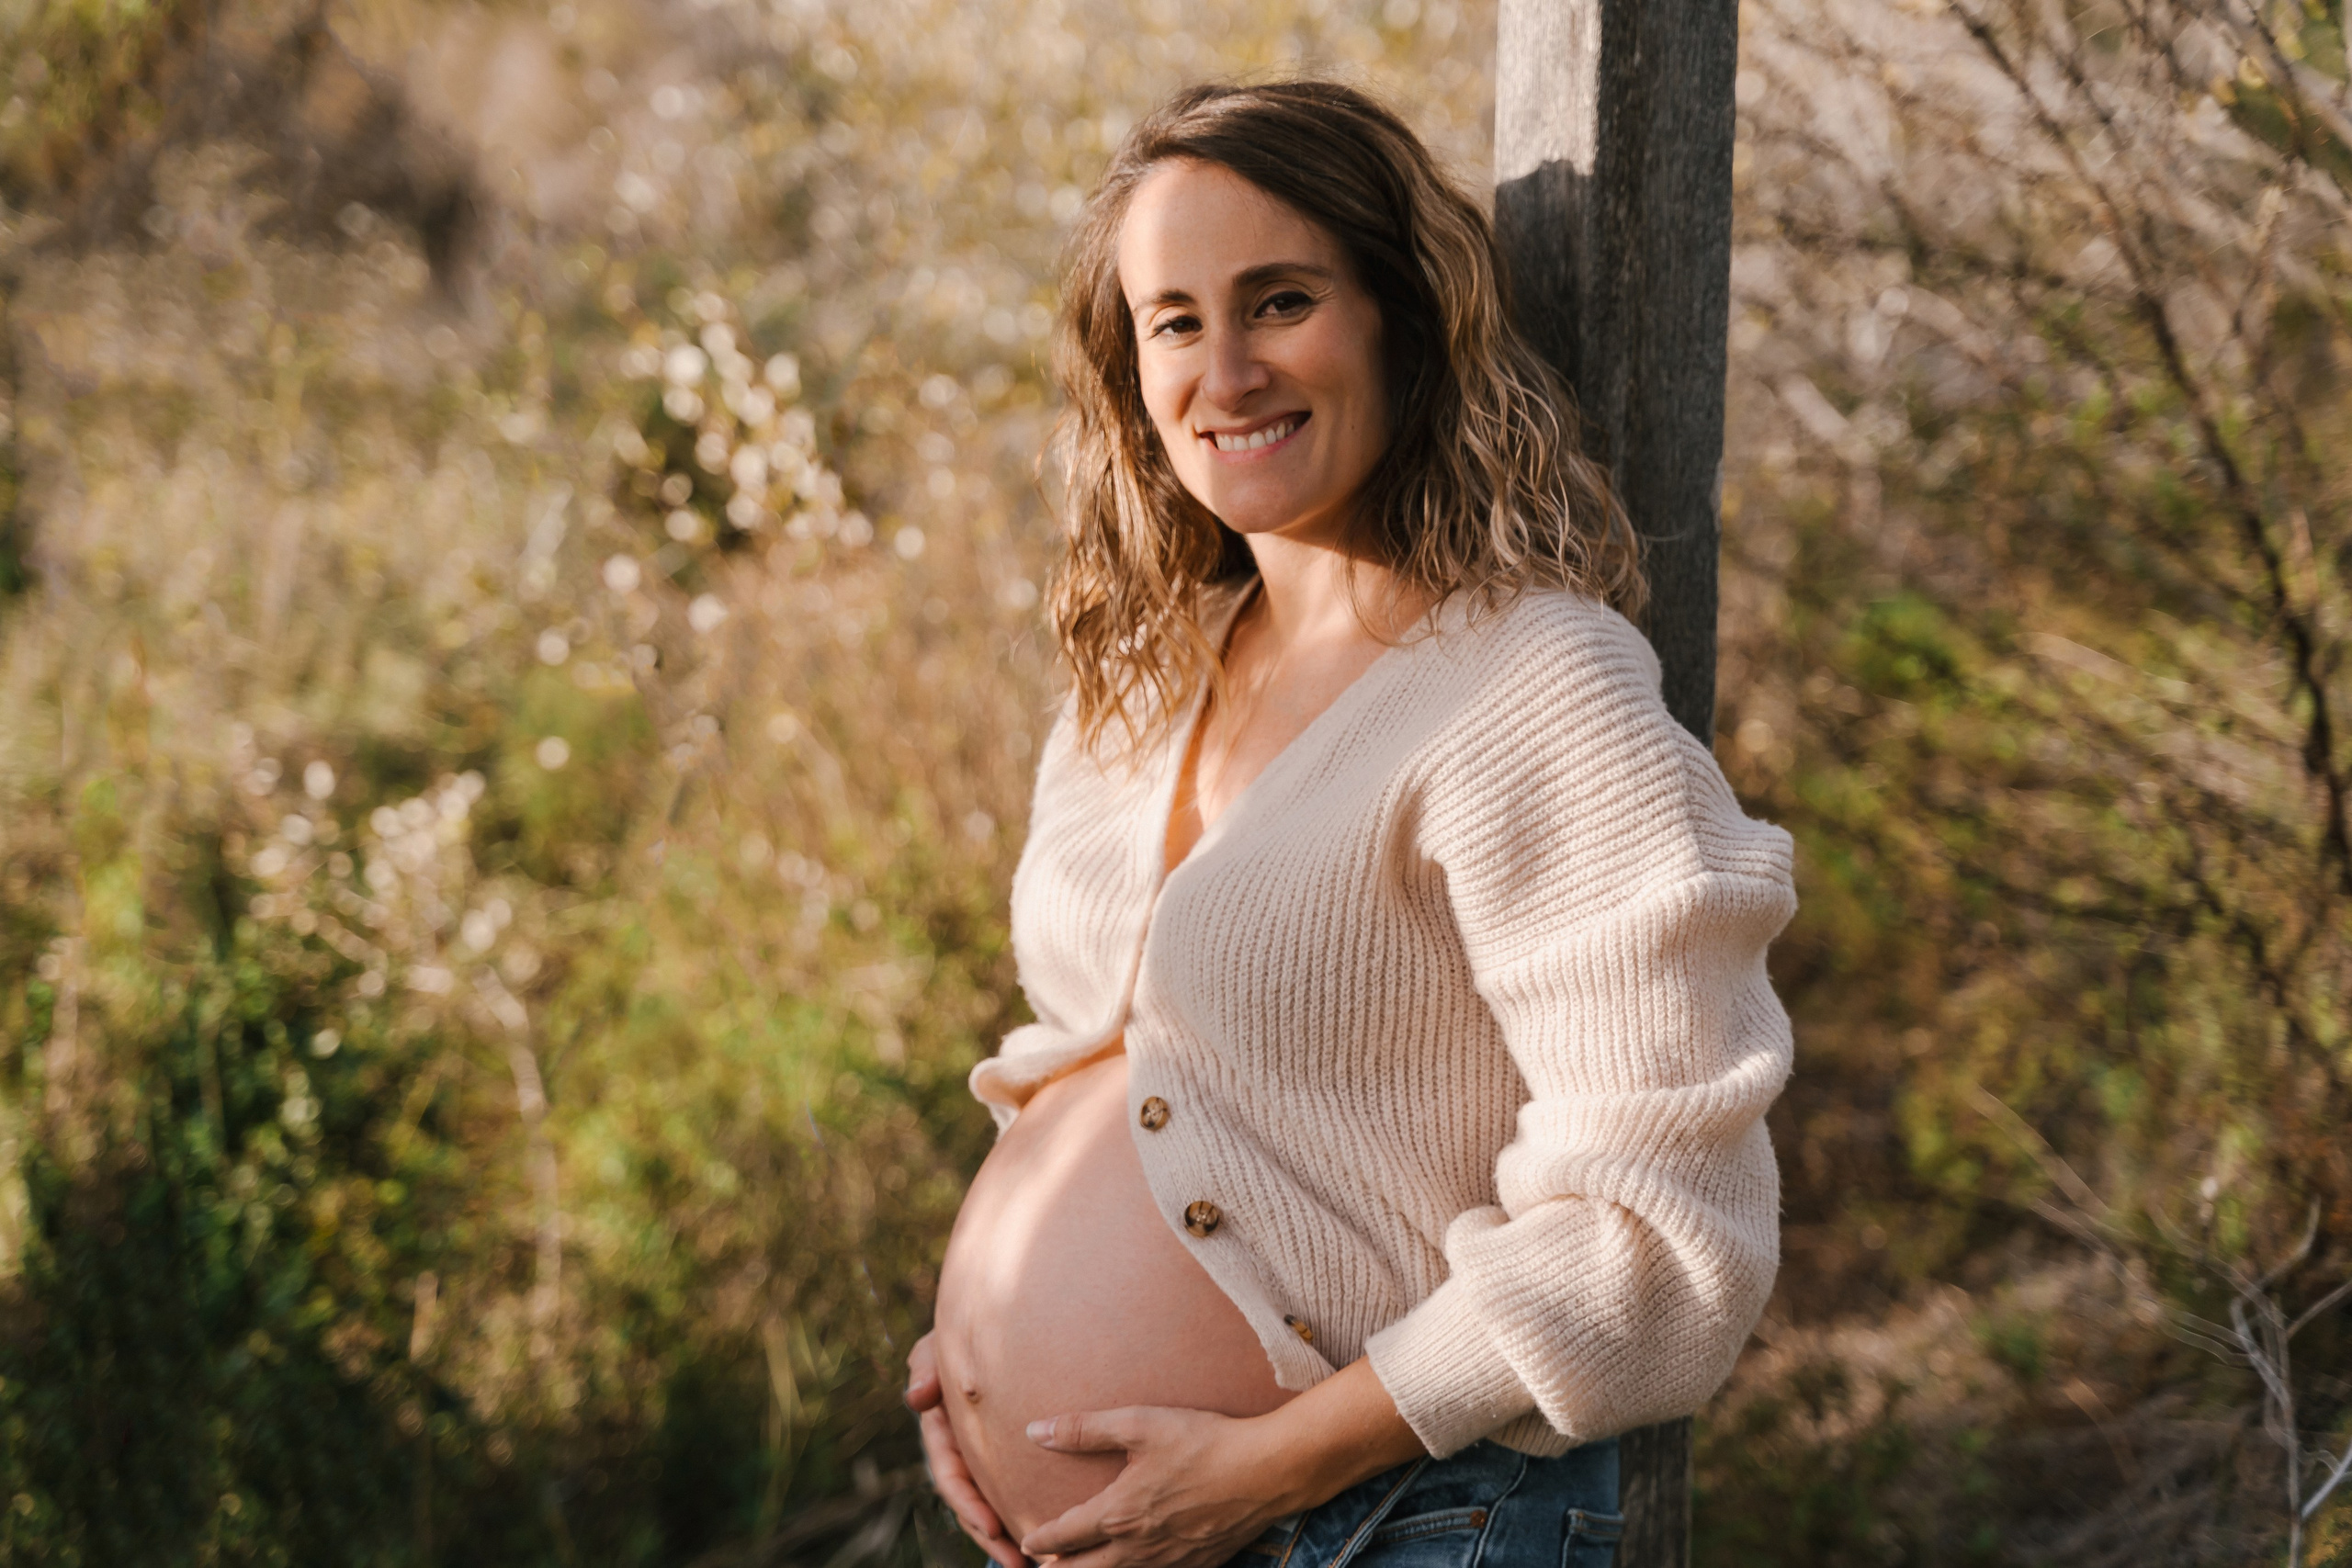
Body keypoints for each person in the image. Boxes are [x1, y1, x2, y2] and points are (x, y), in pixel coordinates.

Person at [902, 78, 1796, 1568]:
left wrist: (1263, 1468)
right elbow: (1121, 1081)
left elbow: (1662, 1237)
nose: (1228, 368)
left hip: (1392, 1524)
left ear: (1398, 316)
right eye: (1175, 321)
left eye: (1281, 302)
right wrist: (975, 1358)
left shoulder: (1527, 685)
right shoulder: (1145, 674)